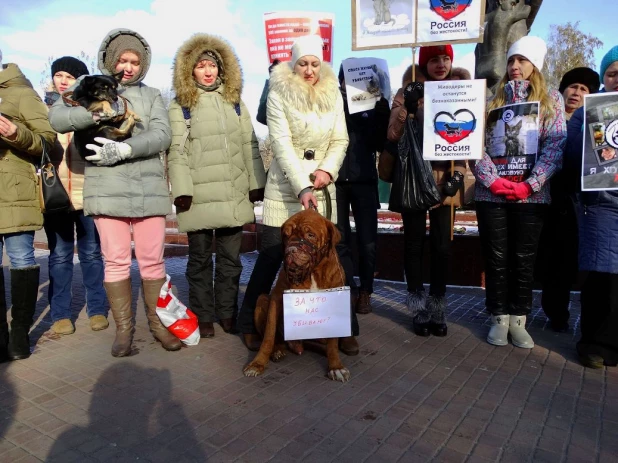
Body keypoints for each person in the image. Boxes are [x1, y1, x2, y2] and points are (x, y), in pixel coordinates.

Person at [49, 29, 182, 357]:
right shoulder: (89, 86)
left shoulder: (151, 96)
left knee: (153, 262)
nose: (128, 67)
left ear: (142, 65)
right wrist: (93, 113)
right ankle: (124, 331)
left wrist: (125, 150)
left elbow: (162, 135)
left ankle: (159, 324)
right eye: (122, 60)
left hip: (149, 190)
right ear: (111, 60)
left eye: (135, 61)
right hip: (107, 191)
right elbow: (58, 116)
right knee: (116, 262)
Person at [237, 35, 354, 353]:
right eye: (303, 63)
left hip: (322, 186)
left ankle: (341, 328)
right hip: (286, 188)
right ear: (293, 63)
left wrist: (327, 170)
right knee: (273, 256)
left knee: (329, 258)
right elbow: (281, 144)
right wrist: (301, 185)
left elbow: (341, 140)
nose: (309, 70)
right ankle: (248, 323)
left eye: (315, 63)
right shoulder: (278, 93)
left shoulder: (333, 94)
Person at [167, 34, 266, 338]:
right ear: (190, 71)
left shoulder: (235, 103)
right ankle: (203, 313)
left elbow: (250, 145)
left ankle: (227, 312)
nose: (208, 71)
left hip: (233, 195)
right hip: (198, 197)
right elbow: (177, 151)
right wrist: (182, 190)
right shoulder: (181, 105)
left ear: (223, 69)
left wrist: (256, 182)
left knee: (230, 261)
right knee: (199, 261)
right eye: (201, 66)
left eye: (212, 65)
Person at [473, 36, 566, 349]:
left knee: (524, 259)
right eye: (512, 61)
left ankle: (519, 319)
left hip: (532, 196)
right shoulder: (490, 100)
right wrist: (494, 182)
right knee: (496, 258)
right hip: (492, 196)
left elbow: (555, 144)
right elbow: (475, 146)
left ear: (535, 65)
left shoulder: (551, 99)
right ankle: (498, 317)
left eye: (522, 61)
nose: (515, 67)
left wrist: (531, 183)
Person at [387, 45, 467, 338]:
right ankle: (418, 307)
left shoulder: (461, 89)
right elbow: (393, 135)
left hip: (446, 180)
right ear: (424, 62)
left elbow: (469, 138)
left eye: (446, 58)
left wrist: (459, 174)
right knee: (414, 245)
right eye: (434, 59)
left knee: (442, 248)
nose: (441, 64)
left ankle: (437, 307)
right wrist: (407, 108)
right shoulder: (407, 90)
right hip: (414, 181)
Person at [43, 56, 108, 336]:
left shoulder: (91, 111)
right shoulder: (43, 112)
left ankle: (96, 310)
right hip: (55, 196)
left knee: (92, 254)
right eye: (58, 75)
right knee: (59, 256)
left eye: (69, 76)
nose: (63, 80)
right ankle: (60, 314)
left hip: (88, 192)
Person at [0, 50, 57, 361]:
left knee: (22, 258)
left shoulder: (20, 92)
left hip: (13, 191)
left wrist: (14, 132)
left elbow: (49, 142)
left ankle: (19, 332)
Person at [564, 45, 618, 368]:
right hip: (600, 203)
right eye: (612, 73)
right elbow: (571, 152)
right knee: (602, 276)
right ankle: (594, 345)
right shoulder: (589, 109)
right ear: (604, 77)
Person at [536, 67, 600, 333]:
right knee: (543, 259)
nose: (576, 93)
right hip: (541, 195)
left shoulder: (593, 125)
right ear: (562, 90)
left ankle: (558, 314)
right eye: (572, 86)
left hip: (573, 201)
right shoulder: (545, 117)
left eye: (584, 89)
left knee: (564, 261)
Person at [335, 63, 389, 314]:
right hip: (337, 181)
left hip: (365, 181)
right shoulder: (332, 102)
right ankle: (347, 287)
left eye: (357, 79)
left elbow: (380, 143)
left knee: (368, 241)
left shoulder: (372, 105)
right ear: (340, 82)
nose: (352, 83)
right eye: (347, 78)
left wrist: (380, 109)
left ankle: (366, 290)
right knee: (340, 239)